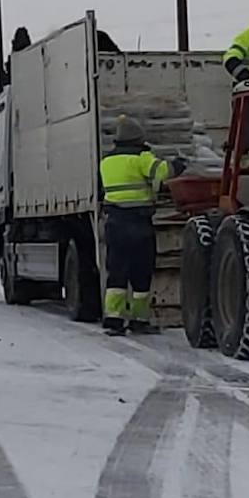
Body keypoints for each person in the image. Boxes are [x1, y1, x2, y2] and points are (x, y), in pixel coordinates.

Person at [99, 116, 185, 336]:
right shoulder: (141, 158)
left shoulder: (106, 161)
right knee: (141, 273)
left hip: (115, 223)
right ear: (138, 138)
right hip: (139, 224)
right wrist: (178, 164)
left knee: (116, 272)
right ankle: (139, 320)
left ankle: (113, 319)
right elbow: (162, 172)